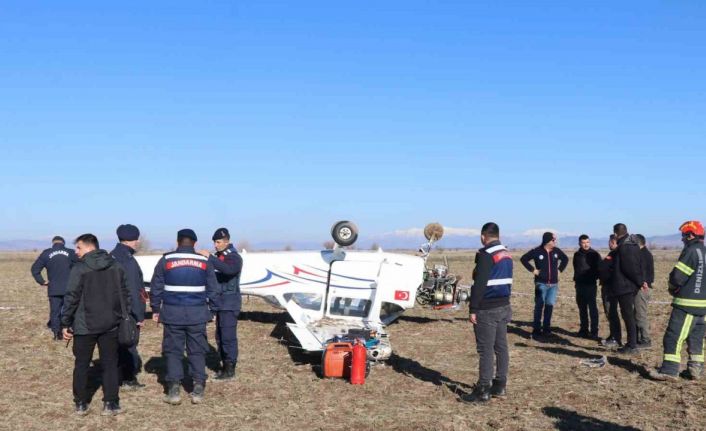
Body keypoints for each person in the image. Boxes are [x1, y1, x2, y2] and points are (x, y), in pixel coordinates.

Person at [61, 234, 130, 416]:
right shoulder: (116, 266)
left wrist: (65, 322)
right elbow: (125, 294)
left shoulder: (80, 269)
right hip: (111, 323)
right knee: (110, 364)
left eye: (78, 248)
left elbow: (71, 297)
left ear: (89, 247)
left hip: (85, 326)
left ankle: (81, 403)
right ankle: (111, 403)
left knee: (82, 364)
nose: (76, 252)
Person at [150, 229, 219, 405]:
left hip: (173, 313)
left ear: (177, 242)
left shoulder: (166, 260)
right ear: (195, 243)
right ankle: (198, 388)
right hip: (197, 313)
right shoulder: (204, 261)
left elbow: (156, 286)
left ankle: (173, 390)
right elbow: (213, 288)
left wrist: (155, 308)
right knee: (197, 350)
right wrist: (213, 310)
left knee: (173, 351)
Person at [462, 222, 512, 403]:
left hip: (487, 308)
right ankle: (500, 385)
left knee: (485, 350)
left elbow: (480, 283)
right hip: (504, 306)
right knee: (501, 347)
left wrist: (473, 309)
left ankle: (483, 389)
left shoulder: (485, 255)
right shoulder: (506, 253)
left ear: (483, 236)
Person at [650, 221, 706, 381]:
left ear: (691, 235)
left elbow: (677, 277)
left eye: (684, 236)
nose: (682, 240)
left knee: (673, 336)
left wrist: (672, 288)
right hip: (703, 306)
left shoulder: (691, 251)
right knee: (696, 338)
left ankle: (669, 370)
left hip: (687, 304)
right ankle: (695, 369)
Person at [198, 227, 243, 381]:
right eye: (215, 242)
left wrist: (210, 258)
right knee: (220, 336)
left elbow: (229, 270)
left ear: (226, 241)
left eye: (218, 242)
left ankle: (230, 369)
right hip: (220, 303)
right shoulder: (219, 257)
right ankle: (224, 365)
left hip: (230, 304)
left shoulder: (234, 257)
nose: (215, 245)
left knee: (228, 337)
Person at [109, 224, 146, 389]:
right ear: (133, 240)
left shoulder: (111, 256)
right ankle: (128, 379)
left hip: (111, 309)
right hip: (126, 312)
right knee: (128, 343)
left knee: (115, 344)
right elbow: (133, 289)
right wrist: (139, 315)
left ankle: (115, 376)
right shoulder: (128, 261)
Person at [520, 232, 568, 337]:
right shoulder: (537, 251)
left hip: (553, 285)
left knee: (549, 306)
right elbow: (523, 259)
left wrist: (559, 270)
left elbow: (565, 259)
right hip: (541, 284)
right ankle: (536, 329)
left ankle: (546, 329)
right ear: (547, 241)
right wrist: (533, 270)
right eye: (553, 240)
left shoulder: (556, 251)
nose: (555, 242)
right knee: (539, 306)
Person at [30, 236, 77, 340]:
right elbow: (81, 266)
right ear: (63, 243)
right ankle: (69, 331)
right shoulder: (71, 252)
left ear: (53, 243)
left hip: (53, 288)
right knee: (69, 310)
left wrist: (42, 281)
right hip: (70, 288)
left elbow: (34, 269)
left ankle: (56, 334)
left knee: (55, 312)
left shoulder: (46, 253)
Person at [609, 223, 644, 355]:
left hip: (625, 286)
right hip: (629, 286)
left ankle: (631, 345)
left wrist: (639, 281)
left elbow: (630, 268)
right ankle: (632, 343)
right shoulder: (633, 244)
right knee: (629, 315)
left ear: (616, 234)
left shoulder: (625, 247)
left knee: (628, 316)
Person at [572, 235, 601, 339]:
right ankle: (584, 330)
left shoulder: (595, 254)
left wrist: (592, 277)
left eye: (587, 242)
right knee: (582, 308)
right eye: (583, 242)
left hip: (590, 285)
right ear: (579, 243)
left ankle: (594, 332)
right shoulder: (577, 254)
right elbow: (576, 268)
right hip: (579, 285)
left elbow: (599, 270)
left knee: (593, 309)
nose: (586, 244)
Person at [598, 235, 622, 348]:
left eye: (610, 241)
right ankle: (613, 335)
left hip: (611, 288)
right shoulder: (612, 253)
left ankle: (615, 339)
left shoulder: (617, 254)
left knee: (612, 312)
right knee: (610, 313)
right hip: (607, 286)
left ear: (613, 242)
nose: (609, 243)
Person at [634, 234, 654, 348]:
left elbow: (643, 272)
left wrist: (643, 282)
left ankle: (645, 340)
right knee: (637, 314)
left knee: (640, 315)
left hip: (643, 288)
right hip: (641, 287)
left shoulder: (644, 255)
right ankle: (637, 339)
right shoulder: (642, 254)